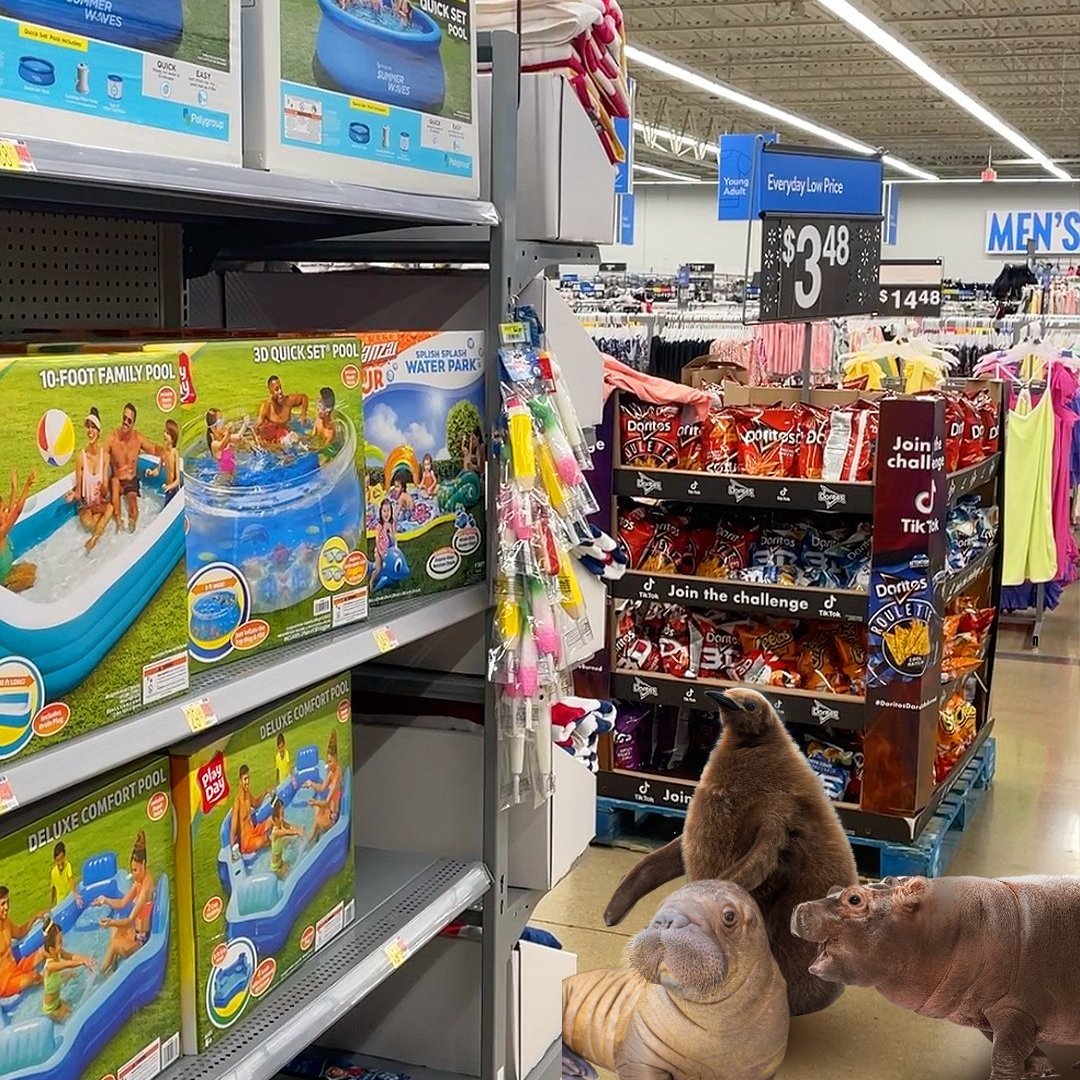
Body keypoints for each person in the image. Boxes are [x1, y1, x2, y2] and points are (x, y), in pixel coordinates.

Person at [94, 830, 154, 974]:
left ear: (144, 864)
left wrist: (110, 922)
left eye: (135, 870)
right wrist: (105, 900)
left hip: (141, 941)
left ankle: (99, 976)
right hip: (135, 932)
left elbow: (129, 920)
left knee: (114, 941)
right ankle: (112, 965)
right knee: (114, 930)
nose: (133, 874)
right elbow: (122, 903)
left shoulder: (145, 889)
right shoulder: (139, 882)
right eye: (131, 870)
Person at [104, 403, 162, 533]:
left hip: (131, 480)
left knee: (134, 509)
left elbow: (153, 449)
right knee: (113, 482)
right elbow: (100, 457)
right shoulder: (112, 438)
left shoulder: (138, 439)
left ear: (133, 423)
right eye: (124, 418)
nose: (125, 422)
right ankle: (118, 523)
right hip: (117, 481)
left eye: (129, 420)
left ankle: (131, 535)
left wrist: (168, 452)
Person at [65, 408, 113, 552]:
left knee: (110, 508)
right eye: (88, 427)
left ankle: (94, 539)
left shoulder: (105, 456)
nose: (90, 431)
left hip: (99, 502)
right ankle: (98, 530)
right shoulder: (81, 458)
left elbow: (105, 492)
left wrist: (102, 490)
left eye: (93, 427)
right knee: (90, 524)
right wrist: (74, 496)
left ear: (99, 431)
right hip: (85, 504)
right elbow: (79, 493)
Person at [40, 920, 93, 1022]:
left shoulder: (58, 953)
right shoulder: (50, 966)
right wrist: (82, 963)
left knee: (74, 1009)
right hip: (50, 1011)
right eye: (59, 942)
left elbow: (70, 956)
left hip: (58, 1002)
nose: (62, 945)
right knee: (74, 1018)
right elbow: (66, 964)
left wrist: (85, 958)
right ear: (51, 949)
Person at [0, 885, 47, 996]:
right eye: (2, 904)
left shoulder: (6, 922)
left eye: (8, 902)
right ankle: (59, 983)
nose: (7, 907)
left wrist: (34, 917)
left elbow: (20, 933)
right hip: (4, 983)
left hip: (15, 969)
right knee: (34, 976)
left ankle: (64, 967)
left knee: (45, 951)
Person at [0, 469, 37, 592]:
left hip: (9, 571)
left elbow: (11, 510)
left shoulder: (3, 526)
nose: (5, 512)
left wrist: (14, 488)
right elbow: (16, 512)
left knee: (32, 568)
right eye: (2, 511)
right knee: (30, 580)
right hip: (4, 582)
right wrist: (27, 486)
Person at [305, 731, 342, 847]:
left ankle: (307, 845)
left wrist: (315, 802)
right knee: (316, 811)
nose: (328, 764)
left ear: (336, 759)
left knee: (316, 821)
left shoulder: (337, 776)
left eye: (330, 761)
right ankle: (311, 840)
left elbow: (326, 803)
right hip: (328, 810)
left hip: (333, 816)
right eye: (327, 761)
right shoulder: (332, 772)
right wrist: (311, 783)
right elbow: (322, 788)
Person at [229, 764, 273, 857]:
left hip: (254, 831)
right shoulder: (237, 802)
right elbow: (233, 829)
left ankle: (283, 838)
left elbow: (256, 803)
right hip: (246, 842)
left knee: (273, 819)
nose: (247, 782)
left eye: (248, 778)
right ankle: (280, 849)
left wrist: (265, 792)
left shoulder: (247, 793)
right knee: (265, 839)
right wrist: (233, 852)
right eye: (245, 779)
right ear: (240, 781)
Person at [257, 376, 308, 445]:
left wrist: (303, 415)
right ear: (270, 391)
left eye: (280, 388)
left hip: (286, 432)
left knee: (304, 441)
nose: (280, 391)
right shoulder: (266, 407)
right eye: (276, 389)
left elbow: (304, 397)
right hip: (274, 436)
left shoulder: (287, 401)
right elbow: (258, 428)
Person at [145, 419, 181, 504]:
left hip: (174, 491)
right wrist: (151, 472)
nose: (164, 434)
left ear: (173, 439)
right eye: (164, 431)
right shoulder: (164, 451)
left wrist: (169, 487)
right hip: (167, 489)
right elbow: (158, 471)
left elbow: (178, 481)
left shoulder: (175, 453)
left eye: (167, 433)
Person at [268, 798, 304, 879]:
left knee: (292, 868)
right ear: (275, 819)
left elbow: (289, 826)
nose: (282, 818)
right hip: (276, 868)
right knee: (291, 876)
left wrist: (298, 828)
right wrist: (297, 832)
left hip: (281, 862)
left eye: (283, 814)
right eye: (281, 815)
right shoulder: (275, 832)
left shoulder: (280, 822)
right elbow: (287, 832)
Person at [205, 410, 238, 482]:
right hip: (223, 480)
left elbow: (237, 438)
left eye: (223, 420)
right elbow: (222, 445)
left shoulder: (225, 439)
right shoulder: (214, 444)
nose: (224, 424)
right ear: (213, 428)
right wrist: (228, 433)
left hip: (232, 477)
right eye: (221, 422)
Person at [371, 497, 395, 589]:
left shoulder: (390, 524)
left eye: (388, 510)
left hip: (387, 550)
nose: (386, 513)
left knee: (388, 566)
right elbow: (377, 539)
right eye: (384, 511)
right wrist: (380, 552)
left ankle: (389, 580)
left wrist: (395, 547)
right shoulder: (379, 525)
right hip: (379, 550)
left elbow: (393, 538)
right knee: (378, 568)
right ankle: (371, 582)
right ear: (380, 512)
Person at [50, 842, 80, 907]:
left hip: (69, 899)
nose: (60, 863)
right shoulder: (53, 872)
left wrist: (75, 894)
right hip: (61, 903)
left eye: (61, 859)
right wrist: (52, 905)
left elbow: (71, 880)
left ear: (64, 857)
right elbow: (53, 889)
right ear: (55, 860)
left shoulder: (67, 866)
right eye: (58, 860)